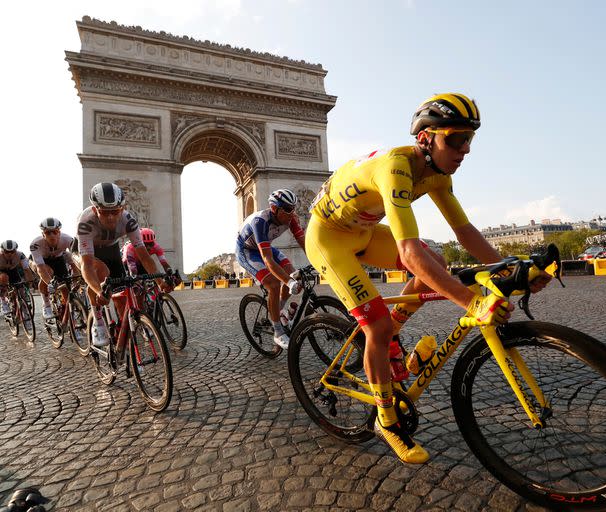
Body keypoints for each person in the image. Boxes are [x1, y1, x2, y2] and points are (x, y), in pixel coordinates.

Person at [305, 93, 550, 464]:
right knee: (377, 325)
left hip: (364, 231)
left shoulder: (437, 175)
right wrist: (472, 303)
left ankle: (394, 336)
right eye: (455, 139)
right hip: (327, 238)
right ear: (426, 138)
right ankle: (386, 420)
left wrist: (509, 268)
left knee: (433, 261)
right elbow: (407, 253)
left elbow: (465, 233)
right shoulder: (396, 167)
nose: (465, 149)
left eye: (470, 139)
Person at [77, 182, 171, 347]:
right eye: (105, 213)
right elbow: (87, 265)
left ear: (123, 208)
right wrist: (100, 292)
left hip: (111, 249)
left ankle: (124, 344)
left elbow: (144, 256)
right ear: (94, 210)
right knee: (102, 273)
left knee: (122, 296)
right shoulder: (85, 222)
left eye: (115, 211)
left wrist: (160, 282)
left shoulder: (129, 220)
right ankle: (98, 321)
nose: (111, 217)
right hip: (90, 252)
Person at [235, 189, 306, 349]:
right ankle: (278, 332)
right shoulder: (260, 221)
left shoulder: (291, 219)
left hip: (266, 247)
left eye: (294, 208)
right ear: (274, 208)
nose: (292, 213)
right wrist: (288, 282)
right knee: (274, 284)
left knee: (294, 275)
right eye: (288, 209)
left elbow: (305, 244)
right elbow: (267, 259)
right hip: (247, 251)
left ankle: (276, 310)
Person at [29, 218, 78, 320]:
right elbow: (41, 268)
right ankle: (46, 305)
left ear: (59, 232)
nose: (52, 235)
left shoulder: (68, 239)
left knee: (65, 289)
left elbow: (76, 257)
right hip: (42, 261)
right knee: (48, 272)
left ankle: (68, 318)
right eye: (48, 233)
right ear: (43, 234)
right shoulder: (35, 244)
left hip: (58, 259)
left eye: (55, 232)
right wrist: (50, 283)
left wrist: (78, 272)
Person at [0, 240, 33, 318]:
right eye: (7, 252)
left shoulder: (20, 255)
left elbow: (26, 269)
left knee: (21, 291)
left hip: (13, 271)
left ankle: (24, 311)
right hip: (1, 271)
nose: (10, 254)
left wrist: (30, 281)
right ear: (2, 251)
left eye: (12, 251)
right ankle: (3, 302)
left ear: (16, 250)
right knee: (4, 278)